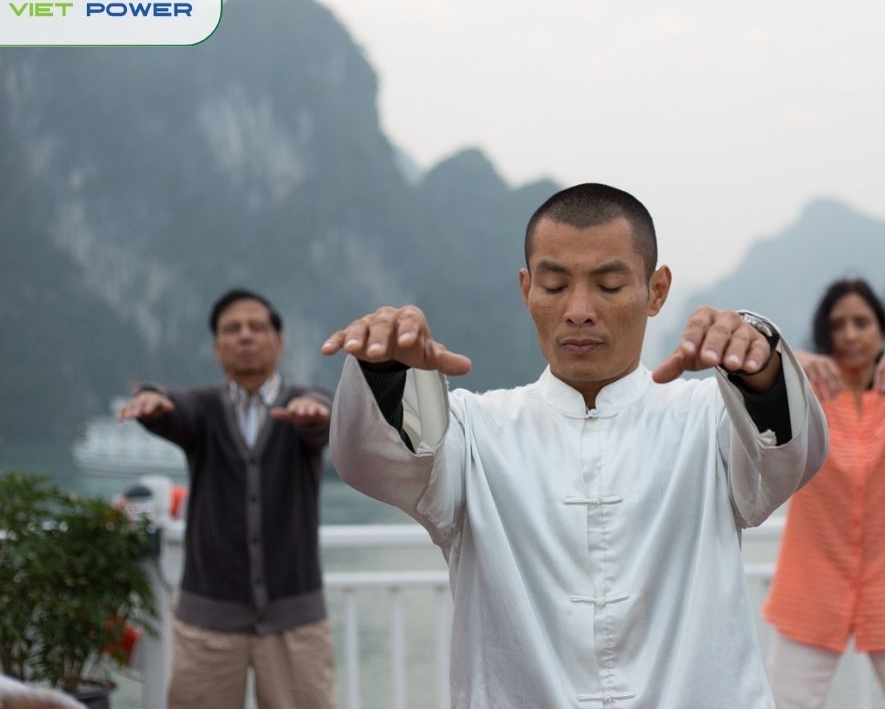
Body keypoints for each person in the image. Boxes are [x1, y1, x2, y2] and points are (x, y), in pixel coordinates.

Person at [322, 183, 829, 708]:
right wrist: (387, 370)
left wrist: (759, 363)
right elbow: (378, 461)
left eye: (609, 285)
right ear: (526, 290)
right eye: (555, 285)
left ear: (656, 291)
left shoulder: (709, 419)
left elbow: (790, 457)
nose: (579, 310)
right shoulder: (473, 431)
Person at [117, 288, 335, 709]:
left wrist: (316, 411)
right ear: (217, 348)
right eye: (232, 329)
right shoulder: (204, 409)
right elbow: (174, 407)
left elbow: (322, 416)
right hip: (208, 625)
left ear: (279, 340)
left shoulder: (304, 404)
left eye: (256, 327)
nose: (245, 336)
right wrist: (152, 397)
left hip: (296, 625)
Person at [761, 278, 885, 708]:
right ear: (824, 334)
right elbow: (757, 395)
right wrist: (792, 362)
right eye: (838, 325)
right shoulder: (807, 397)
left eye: (862, 322)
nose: (850, 334)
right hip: (810, 585)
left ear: (881, 333)